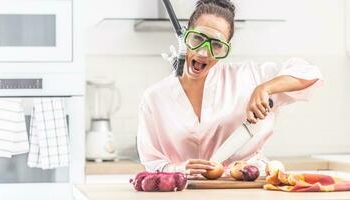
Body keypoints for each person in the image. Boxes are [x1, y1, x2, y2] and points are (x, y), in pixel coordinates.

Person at [137, 0, 323, 175]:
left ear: (225, 48)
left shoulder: (248, 76)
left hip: (247, 189)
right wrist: (178, 169)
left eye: (216, 45)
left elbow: (309, 72)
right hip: (185, 192)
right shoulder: (154, 98)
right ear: (185, 36)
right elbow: (152, 162)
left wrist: (265, 88)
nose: (203, 52)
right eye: (197, 38)